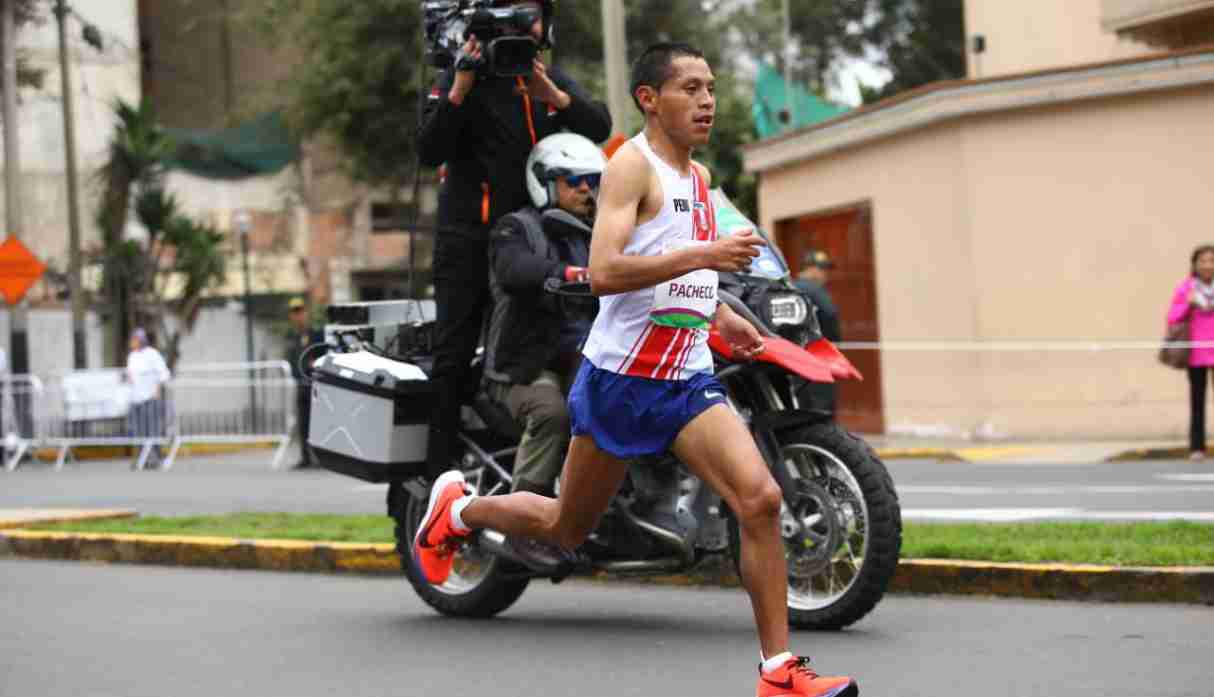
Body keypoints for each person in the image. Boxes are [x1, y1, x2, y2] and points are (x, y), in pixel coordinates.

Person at [414, 43, 858, 697]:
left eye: (711, 86)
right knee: (565, 525)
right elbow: (606, 272)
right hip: (619, 382)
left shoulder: (700, 180)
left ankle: (778, 671)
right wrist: (706, 252)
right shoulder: (629, 168)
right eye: (689, 88)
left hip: (685, 379)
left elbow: (684, 268)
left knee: (760, 500)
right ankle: (462, 510)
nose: (707, 100)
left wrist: (720, 314)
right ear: (650, 99)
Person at [417, 0, 612, 474]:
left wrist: (554, 96)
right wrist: (460, 87)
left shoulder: (543, 78)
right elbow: (428, 149)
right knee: (454, 355)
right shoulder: (459, 78)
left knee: (539, 347)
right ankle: (438, 479)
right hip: (466, 240)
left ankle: (531, 458)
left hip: (531, 242)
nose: (525, 26)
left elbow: (600, 127)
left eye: (532, 13)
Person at [483, 132, 604, 566]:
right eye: (574, 180)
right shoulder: (515, 227)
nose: (585, 189)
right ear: (546, 182)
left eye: (591, 180)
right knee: (553, 412)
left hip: (583, 359)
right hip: (521, 369)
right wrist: (569, 274)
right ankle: (522, 526)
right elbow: (515, 270)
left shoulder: (597, 233)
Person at [1167, 244, 1214, 459]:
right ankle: (1197, 447)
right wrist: (1189, 304)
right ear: (1195, 264)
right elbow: (1173, 317)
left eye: (1211, 261)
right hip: (1196, 353)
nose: (1207, 265)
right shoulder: (1187, 288)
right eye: (1202, 261)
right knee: (1197, 401)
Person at [793, 249, 841, 416]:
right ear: (811, 268)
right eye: (822, 269)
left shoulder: (790, 286)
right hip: (818, 355)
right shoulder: (813, 289)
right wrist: (834, 341)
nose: (825, 274)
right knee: (822, 407)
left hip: (797, 357)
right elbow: (830, 314)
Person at [285, 297, 324, 469]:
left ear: (306, 313)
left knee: (318, 423)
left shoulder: (316, 334)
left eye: (300, 311)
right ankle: (305, 457)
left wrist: (315, 363)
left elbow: (324, 354)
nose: (298, 315)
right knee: (303, 423)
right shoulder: (293, 337)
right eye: (294, 312)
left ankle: (320, 458)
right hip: (301, 385)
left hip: (315, 385)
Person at [125, 328, 170, 470]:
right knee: (137, 430)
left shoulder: (152, 354)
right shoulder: (132, 356)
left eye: (134, 339)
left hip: (150, 398)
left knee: (152, 430)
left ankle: (155, 458)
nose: (132, 342)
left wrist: (157, 388)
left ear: (141, 340)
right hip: (136, 398)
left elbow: (164, 373)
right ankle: (140, 458)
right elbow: (130, 374)